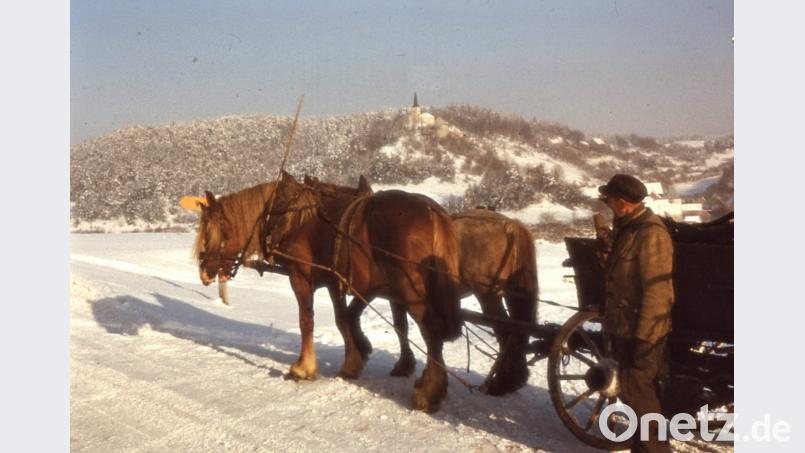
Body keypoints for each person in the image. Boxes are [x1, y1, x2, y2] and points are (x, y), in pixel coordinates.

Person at [599, 174, 674, 453]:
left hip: (641, 332)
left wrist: (646, 339)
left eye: (609, 200)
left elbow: (658, 292)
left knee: (640, 399)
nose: (607, 205)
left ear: (622, 203)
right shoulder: (629, 229)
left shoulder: (650, 234)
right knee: (632, 397)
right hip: (625, 328)